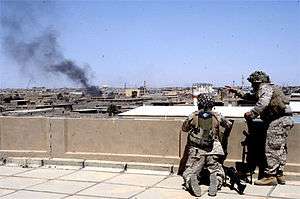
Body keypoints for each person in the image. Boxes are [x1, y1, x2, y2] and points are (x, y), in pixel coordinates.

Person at [228, 71, 294, 185]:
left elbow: (263, 103)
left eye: (253, 83)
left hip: (277, 121)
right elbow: (253, 97)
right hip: (284, 120)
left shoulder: (265, 87)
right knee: (280, 148)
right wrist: (237, 92)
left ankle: (270, 176)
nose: (252, 85)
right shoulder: (269, 88)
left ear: (257, 82)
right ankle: (279, 174)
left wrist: (252, 113)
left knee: (272, 148)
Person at [181, 93, 233, 197]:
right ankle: (215, 179)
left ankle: (191, 179)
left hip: (196, 150)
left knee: (190, 171)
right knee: (216, 169)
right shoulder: (217, 116)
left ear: (199, 104)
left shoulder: (193, 116)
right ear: (211, 104)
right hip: (213, 149)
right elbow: (228, 124)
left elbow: (184, 128)